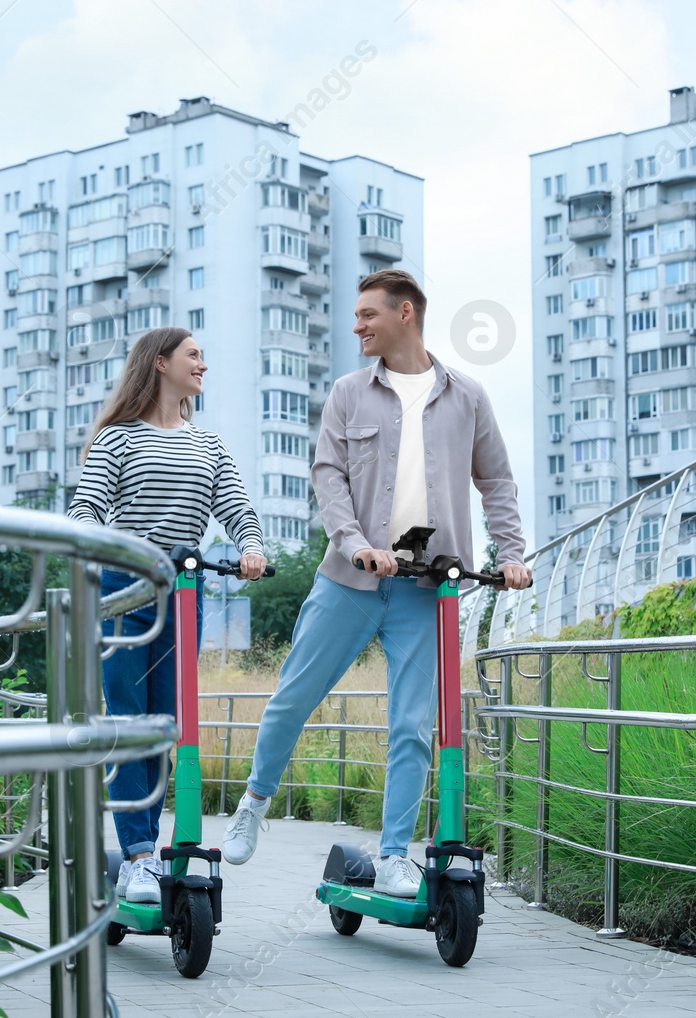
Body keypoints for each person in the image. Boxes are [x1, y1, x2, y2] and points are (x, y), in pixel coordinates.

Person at [222, 269, 530, 896]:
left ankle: (393, 856)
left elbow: (495, 481)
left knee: (413, 726)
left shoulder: (466, 395)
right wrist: (356, 544)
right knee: (291, 699)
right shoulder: (348, 392)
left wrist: (514, 554)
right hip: (348, 581)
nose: (357, 325)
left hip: (427, 588)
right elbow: (327, 475)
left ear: (406, 314)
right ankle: (253, 803)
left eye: (367, 315)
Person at [67, 326, 268, 904]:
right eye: (194, 355)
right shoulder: (118, 439)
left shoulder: (209, 445)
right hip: (124, 589)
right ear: (160, 364)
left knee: (167, 725)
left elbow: (234, 506)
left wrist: (250, 548)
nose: (203, 364)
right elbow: (88, 507)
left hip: (184, 590)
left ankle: (149, 847)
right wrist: (94, 543)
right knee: (131, 721)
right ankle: (135, 857)